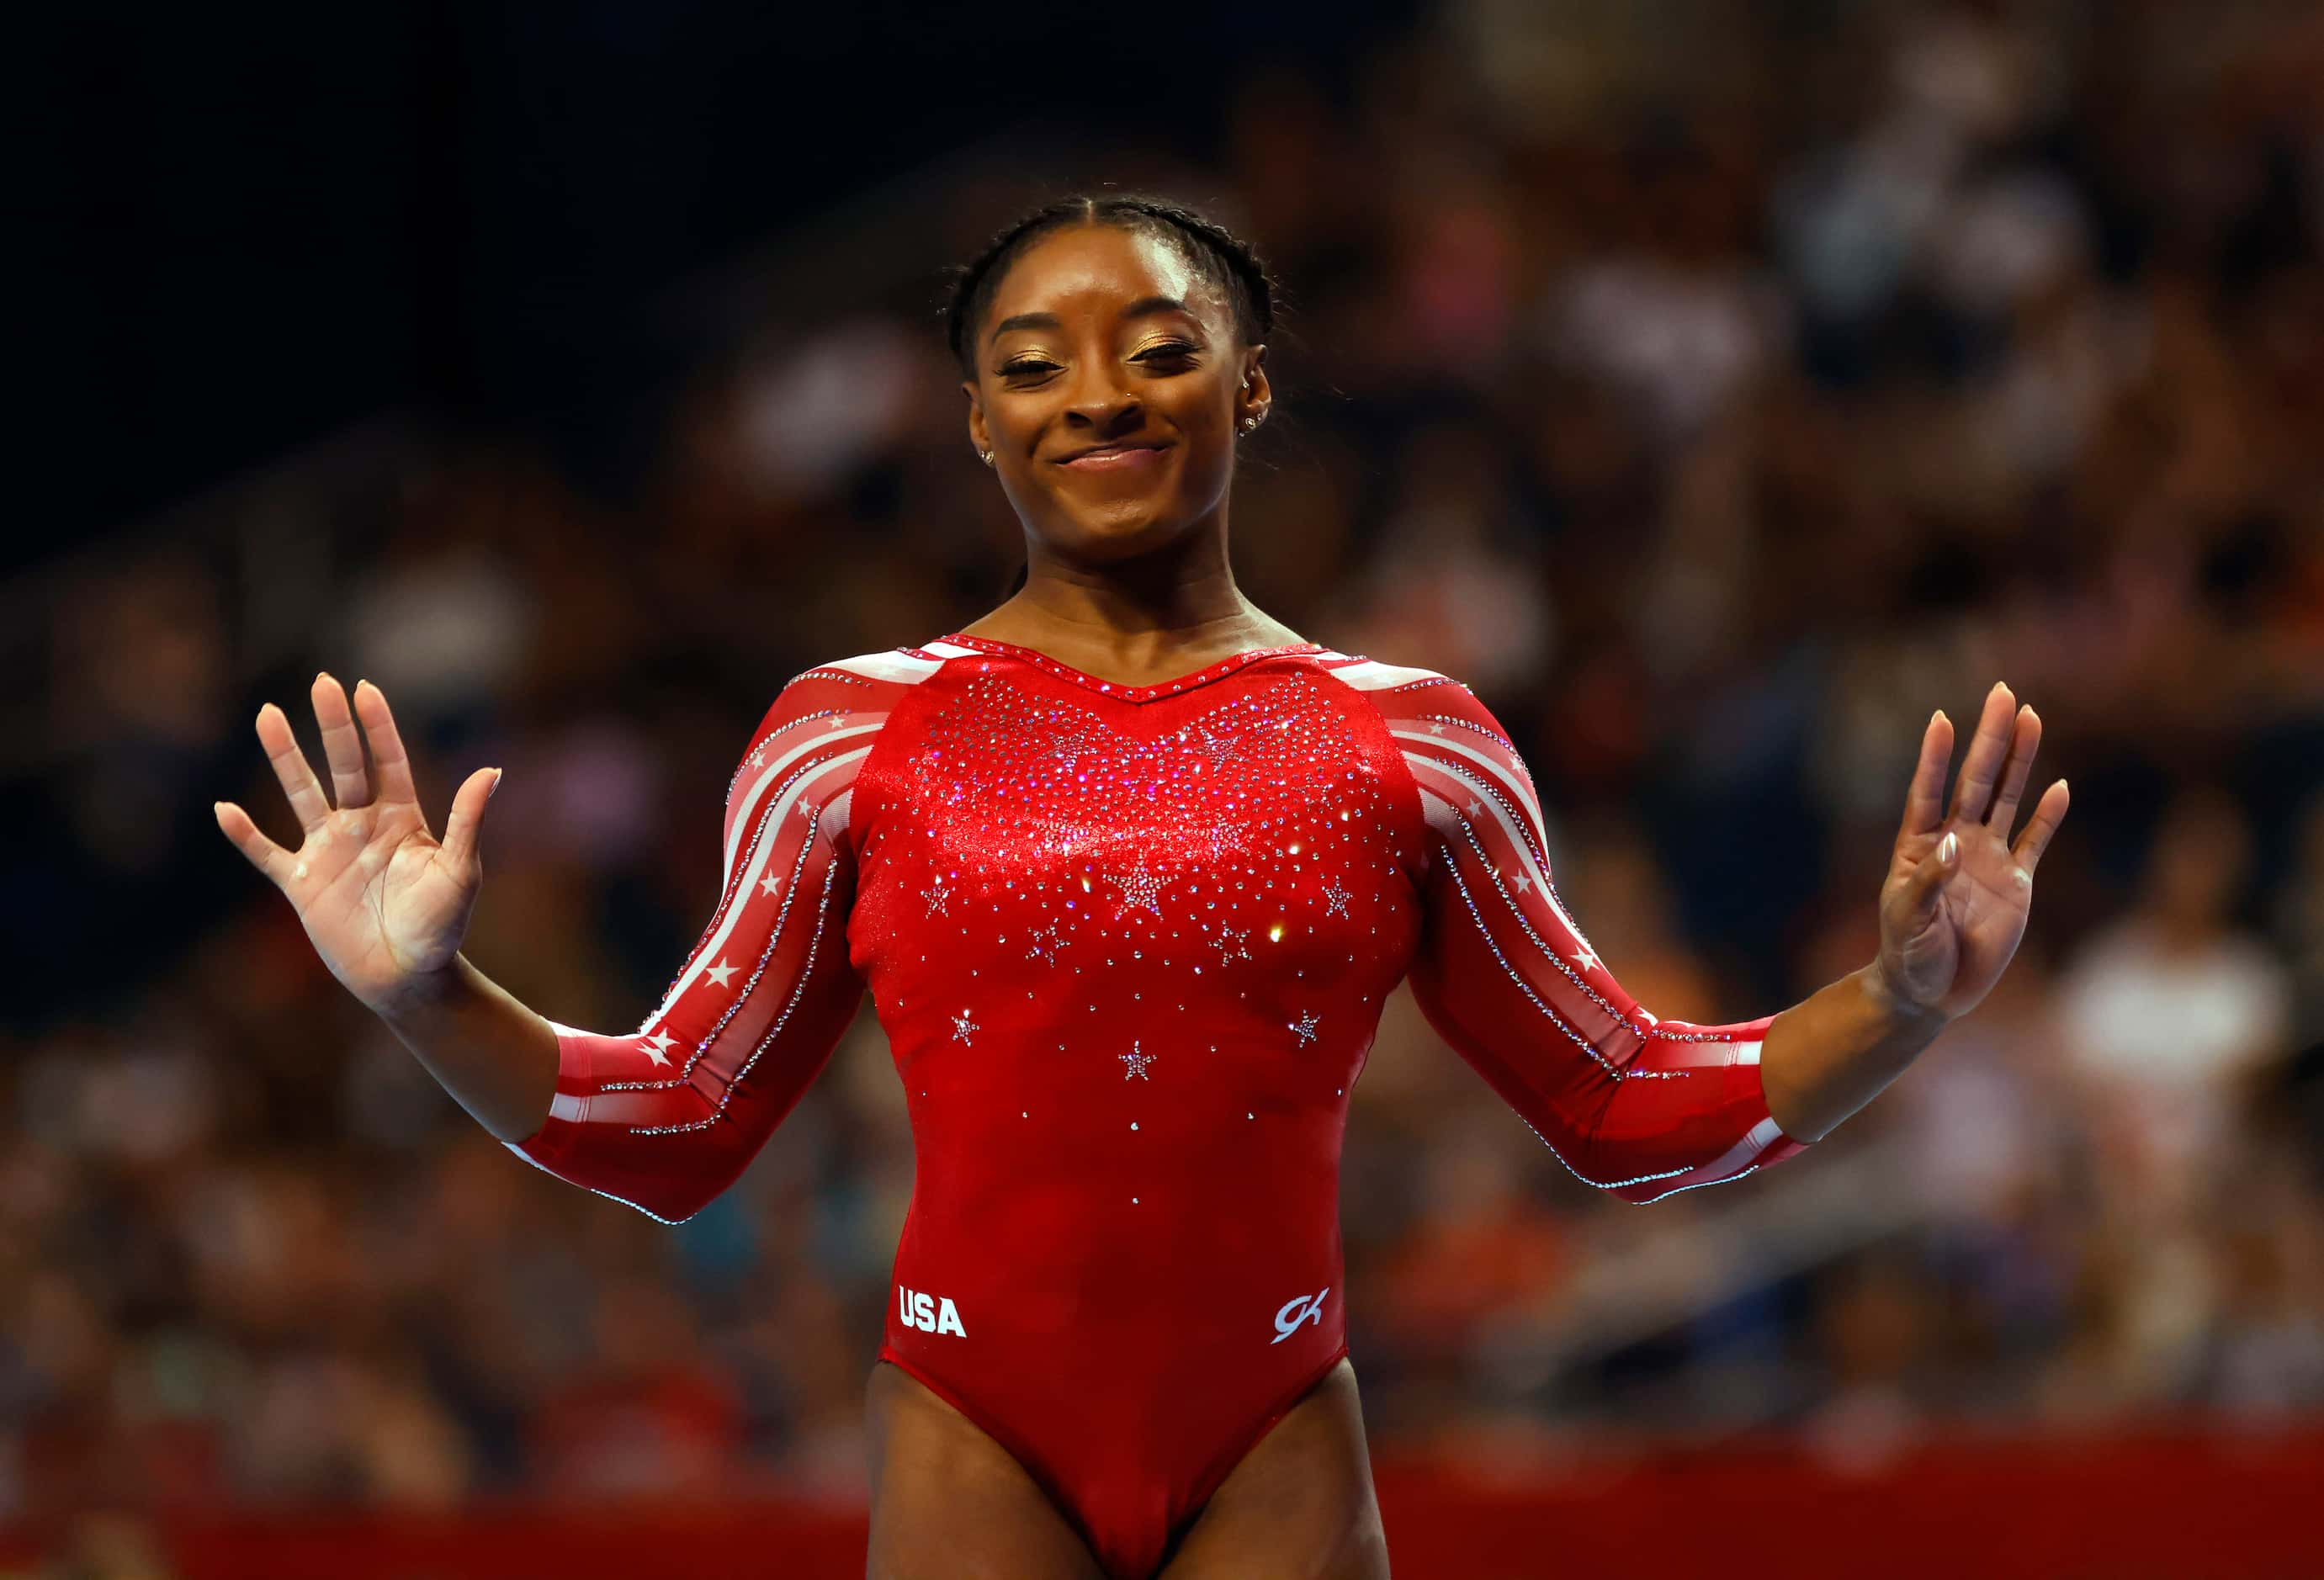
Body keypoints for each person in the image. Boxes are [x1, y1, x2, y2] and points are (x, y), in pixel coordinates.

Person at [214, 194, 2071, 1580]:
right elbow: (679, 1119)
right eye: (1030, 368)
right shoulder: (845, 734)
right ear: (973, 427)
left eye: (1157, 346)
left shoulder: (1411, 743)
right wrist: (419, 998)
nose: (1095, 394)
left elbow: (1622, 1104)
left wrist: (1899, 1001)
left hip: (1274, 1431)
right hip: (968, 1424)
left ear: (1252, 384)